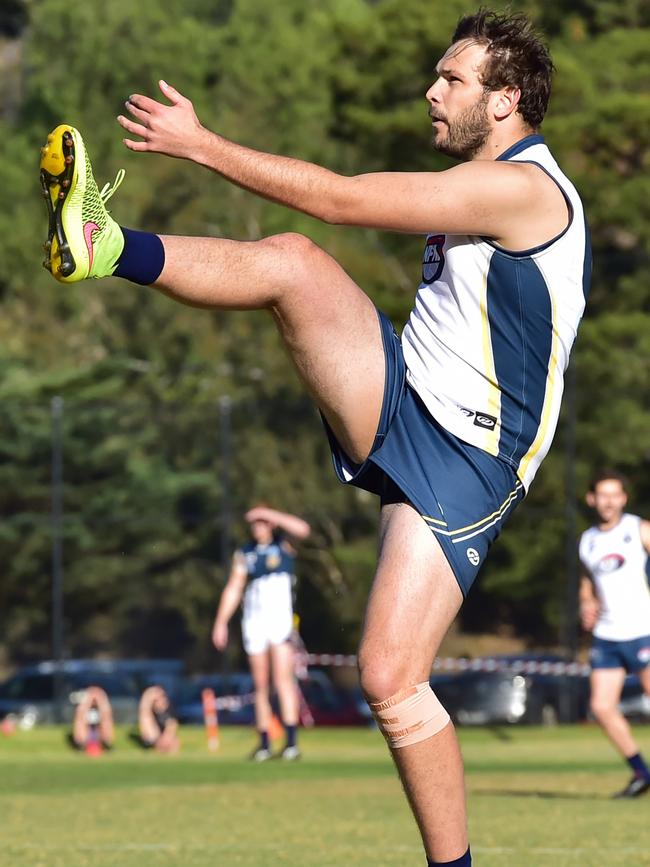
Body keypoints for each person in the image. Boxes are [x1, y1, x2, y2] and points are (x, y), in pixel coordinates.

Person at [39, 10, 590, 865]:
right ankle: (104, 244)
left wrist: (204, 145)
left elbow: (343, 197)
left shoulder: (522, 189)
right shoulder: (486, 181)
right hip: (407, 394)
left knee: (389, 678)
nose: (431, 91)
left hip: (470, 458)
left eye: (452, 79)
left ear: (508, 99)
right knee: (292, 263)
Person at [212, 505, 311, 761]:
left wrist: (272, 514)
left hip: (279, 622)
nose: (257, 528)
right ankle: (265, 742)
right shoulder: (246, 553)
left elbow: (303, 530)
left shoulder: (284, 546)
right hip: (254, 621)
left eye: (262, 523)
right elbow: (234, 588)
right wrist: (221, 622)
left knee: (283, 680)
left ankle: (290, 743)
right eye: (254, 524)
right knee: (261, 685)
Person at [579, 470, 650, 799]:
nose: (609, 501)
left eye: (615, 495)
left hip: (643, 630)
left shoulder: (638, 529)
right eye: (602, 495)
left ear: (624, 498)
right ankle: (641, 773)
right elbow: (587, 582)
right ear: (592, 499)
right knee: (602, 706)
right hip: (607, 635)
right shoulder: (588, 540)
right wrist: (586, 604)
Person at [69, 685, 114, 754]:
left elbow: (106, 718)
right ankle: (81, 745)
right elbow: (80, 719)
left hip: (97, 724)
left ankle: (105, 744)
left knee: (104, 725)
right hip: (88, 724)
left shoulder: (101, 702)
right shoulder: (84, 706)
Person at [136, 685, 180, 753]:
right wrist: (148, 696)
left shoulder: (169, 710)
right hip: (155, 736)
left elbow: (171, 726)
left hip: (165, 736)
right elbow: (144, 712)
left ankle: (164, 745)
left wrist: (165, 739)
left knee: (172, 742)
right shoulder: (150, 712)